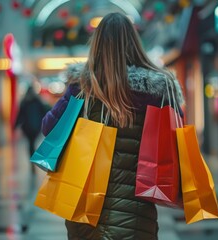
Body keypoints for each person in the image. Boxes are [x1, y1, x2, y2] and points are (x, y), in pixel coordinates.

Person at [41, 12, 184, 240]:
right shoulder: (160, 90)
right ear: (135, 43)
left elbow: (49, 128)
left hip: (85, 214)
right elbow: (177, 144)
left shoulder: (82, 88)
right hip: (137, 217)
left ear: (96, 45)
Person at [14, 85, 51, 166]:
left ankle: (32, 157)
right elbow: (45, 111)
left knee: (30, 143)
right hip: (37, 126)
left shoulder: (24, 102)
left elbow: (20, 115)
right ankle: (34, 157)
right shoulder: (38, 101)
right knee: (33, 142)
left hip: (27, 127)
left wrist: (15, 126)